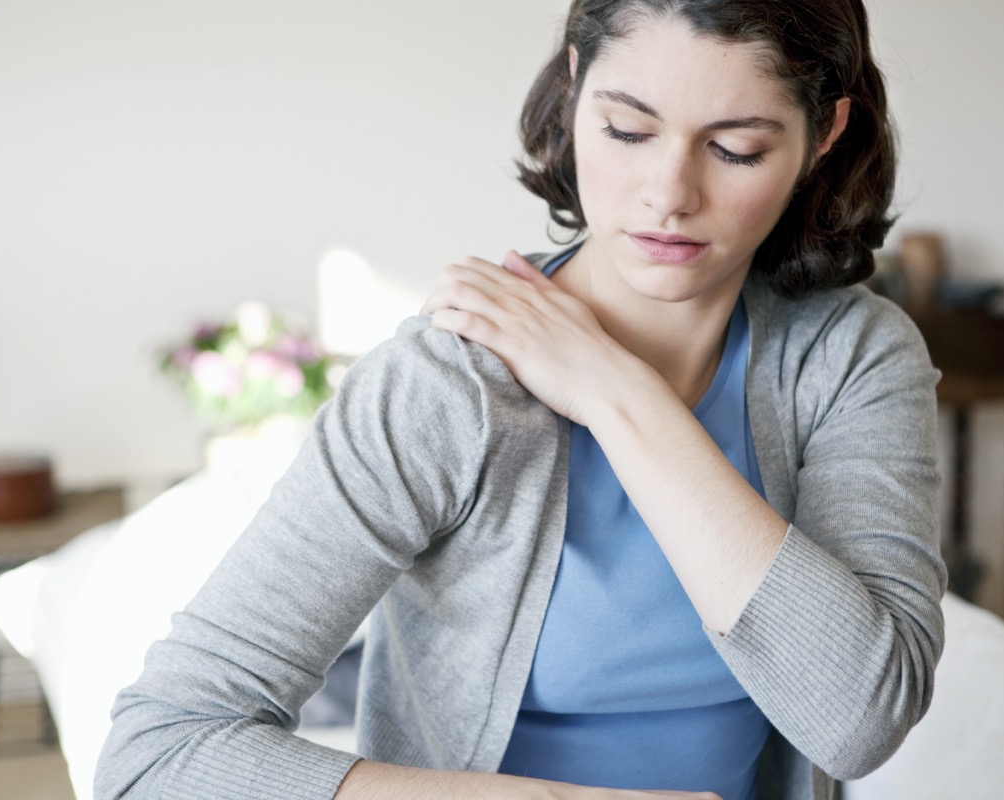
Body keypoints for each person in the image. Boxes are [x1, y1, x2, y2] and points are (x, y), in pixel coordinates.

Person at [95, 1, 946, 798]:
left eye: (735, 149)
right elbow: (160, 753)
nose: (669, 195)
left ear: (823, 133)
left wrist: (614, 392)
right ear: (575, 88)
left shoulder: (851, 358)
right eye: (626, 129)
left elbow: (860, 720)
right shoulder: (446, 385)